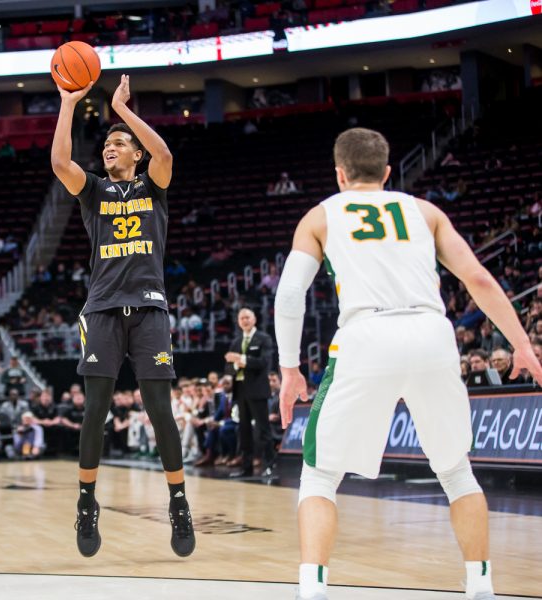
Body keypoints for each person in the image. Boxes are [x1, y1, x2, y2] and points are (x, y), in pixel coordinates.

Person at [274, 127, 542, 600]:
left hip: (366, 335)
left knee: (319, 475)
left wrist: (291, 368)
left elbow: (291, 294)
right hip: (431, 334)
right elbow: (477, 278)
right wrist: (521, 343)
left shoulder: (320, 216)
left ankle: (312, 590)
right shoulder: (425, 211)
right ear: (388, 171)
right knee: (457, 471)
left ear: (339, 173)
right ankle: (481, 585)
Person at [52, 73, 193, 558]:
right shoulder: (93, 191)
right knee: (96, 411)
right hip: (104, 309)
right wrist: (69, 104)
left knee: (160, 412)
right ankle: (87, 502)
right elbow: (59, 162)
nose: (110, 148)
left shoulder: (154, 187)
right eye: (108, 143)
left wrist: (123, 112)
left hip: (150, 308)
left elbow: (167, 156)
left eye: (120, 144)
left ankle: (178, 502)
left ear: (135, 154)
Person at [224, 308, 275, 475]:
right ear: (238, 322)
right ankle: (246, 467)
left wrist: (241, 360)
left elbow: (264, 362)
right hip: (240, 391)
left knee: (263, 429)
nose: (244, 320)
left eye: (247, 317)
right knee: (243, 430)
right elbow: (228, 367)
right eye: (241, 318)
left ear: (254, 319)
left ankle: (269, 465)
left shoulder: (263, 339)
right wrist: (233, 365)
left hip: (258, 390)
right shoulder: (236, 342)